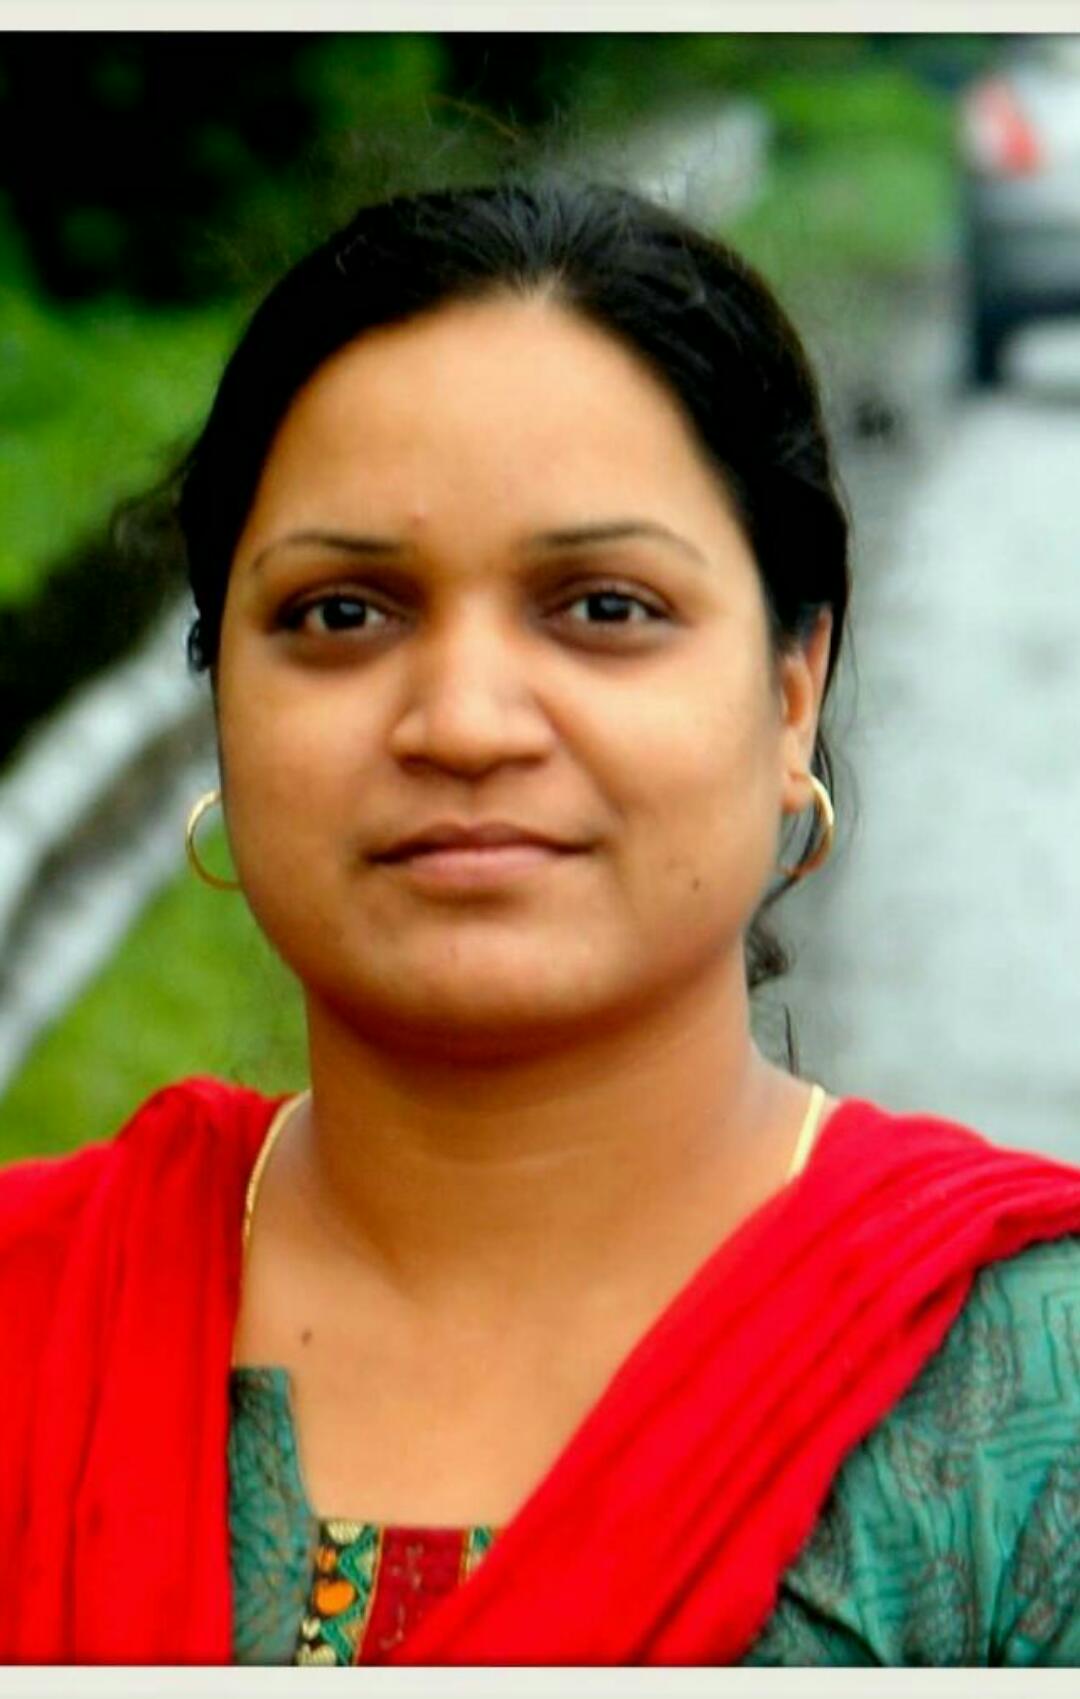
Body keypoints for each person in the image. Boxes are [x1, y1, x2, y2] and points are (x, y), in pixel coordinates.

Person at [3, 177, 1080, 1669]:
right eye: (341, 614)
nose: (462, 722)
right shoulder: (36, 1322)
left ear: (792, 691)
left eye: (603, 608)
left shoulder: (1032, 1409)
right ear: (219, 699)